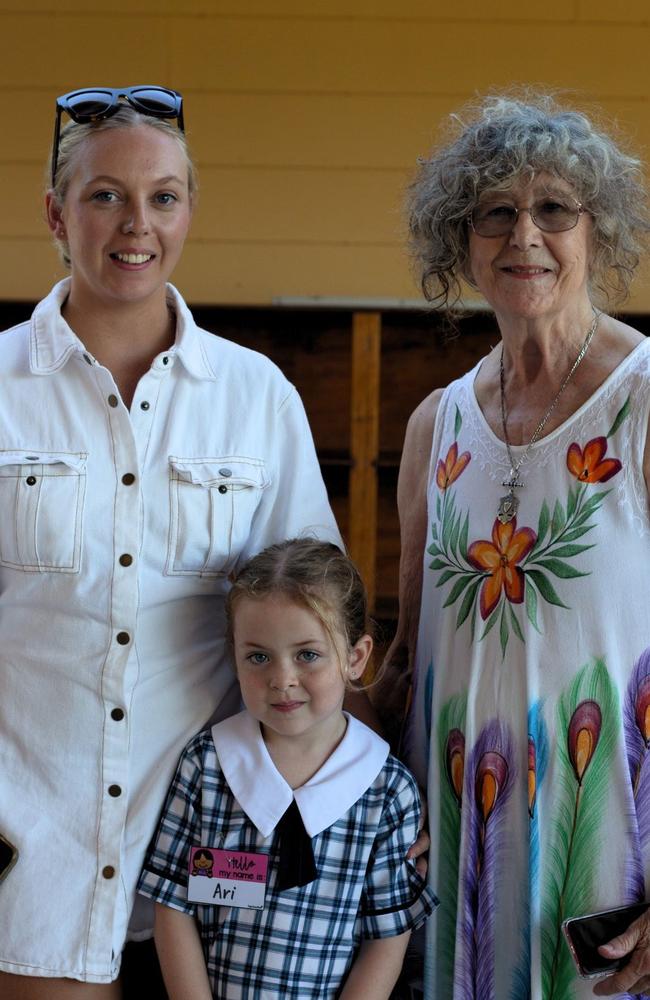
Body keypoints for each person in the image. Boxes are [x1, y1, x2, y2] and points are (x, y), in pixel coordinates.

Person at [0, 87, 341, 998]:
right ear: (55, 214)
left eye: (163, 197)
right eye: (104, 194)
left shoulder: (255, 394)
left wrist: (346, 792)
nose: (135, 224)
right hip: (32, 855)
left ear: (190, 210)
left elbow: (318, 620)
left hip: (215, 862)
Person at [373, 92, 650, 998]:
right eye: (495, 212)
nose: (523, 235)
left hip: (612, 875)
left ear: (597, 231)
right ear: (461, 243)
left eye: (554, 210)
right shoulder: (433, 427)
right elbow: (409, 667)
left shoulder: (643, 402)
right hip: (458, 878)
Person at [138, 538, 437, 999]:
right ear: (234, 657)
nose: (282, 679)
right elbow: (173, 909)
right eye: (258, 656)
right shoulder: (206, 767)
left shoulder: (387, 791)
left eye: (308, 654)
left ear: (355, 658)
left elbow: (386, 938)